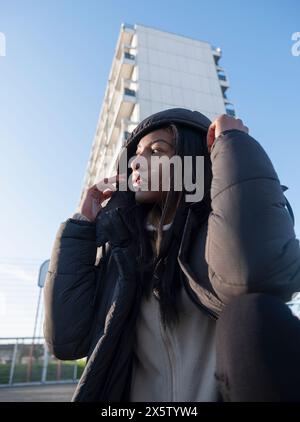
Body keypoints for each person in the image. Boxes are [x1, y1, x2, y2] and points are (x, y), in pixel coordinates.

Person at [43, 108, 300, 402]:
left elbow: (254, 272)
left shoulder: (220, 233)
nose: (137, 163)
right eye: (136, 154)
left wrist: (234, 144)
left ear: (192, 163)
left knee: (251, 313)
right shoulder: (122, 250)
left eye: (156, 150)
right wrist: (81, 228)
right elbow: (66, 342)